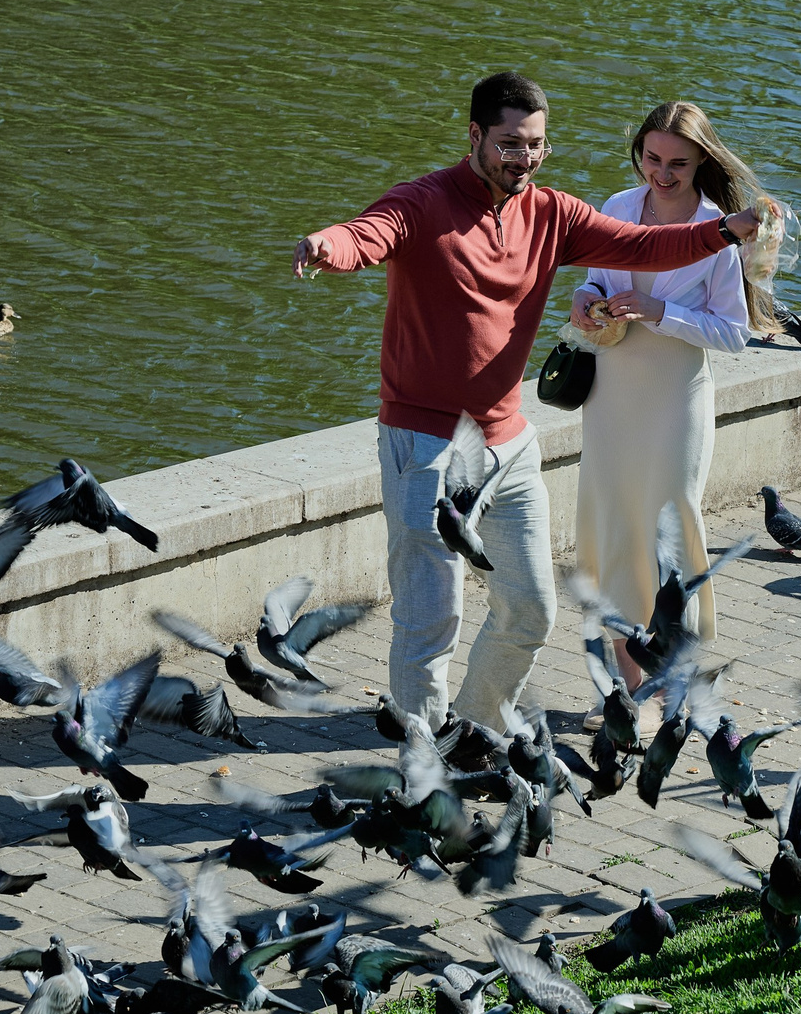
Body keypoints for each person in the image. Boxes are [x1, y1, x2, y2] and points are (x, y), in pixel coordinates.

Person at [293, 71, 770, 735]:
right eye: (511, 144)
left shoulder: (553, 215)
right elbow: (370, 232)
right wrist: (328, 247)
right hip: (426, 440)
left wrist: (726, 232)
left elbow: (646, 246)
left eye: (536, 145)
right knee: (430, 617)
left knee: (532, 610)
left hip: (507, 442)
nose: (524, 158)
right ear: (475, 136)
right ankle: (421, 764)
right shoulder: (424, 201)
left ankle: (475, 727)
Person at [568, 102, 771, 703]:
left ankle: (665, 670)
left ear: (701, 161)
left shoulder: (719, 230)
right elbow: (595, 280)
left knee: (669, 527)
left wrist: (663, 313)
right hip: (611, 392)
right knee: (614, 525)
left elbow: (734, 332)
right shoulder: (617, 209)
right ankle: (633, 687)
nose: (662, 173)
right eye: (652, 159)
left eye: (678, 163)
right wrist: (584, 296)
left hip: (677, 398)